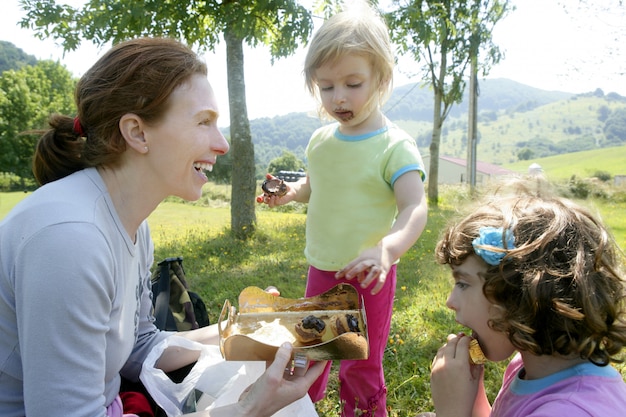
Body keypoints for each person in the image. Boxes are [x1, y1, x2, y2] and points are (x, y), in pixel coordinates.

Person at [0, 37, 326, 417]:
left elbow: (139, 345)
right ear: (137, 132)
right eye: (204, 121)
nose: (221, 144)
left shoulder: (132, 225)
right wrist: (247, 411)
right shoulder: (71, 239)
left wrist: (246, 330)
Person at [257, 3, 428, 416]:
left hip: (369, 275)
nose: (339, 98)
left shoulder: (394, 146)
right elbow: (316, 186)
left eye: (353, 83)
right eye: (326, 86)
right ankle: (302, 410)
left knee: (359, 361)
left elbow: (414, 208)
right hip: (321, 267)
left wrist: (387, 250)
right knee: (311, 349)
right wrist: (291, 193)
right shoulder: (321, 141)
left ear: (381, 78)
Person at [429, 179, 626, 417]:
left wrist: (451, 412)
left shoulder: (570, 410)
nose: (450, 301)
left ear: (518, 295)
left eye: (462, 283)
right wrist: (470, 393)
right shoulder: (527, 366)